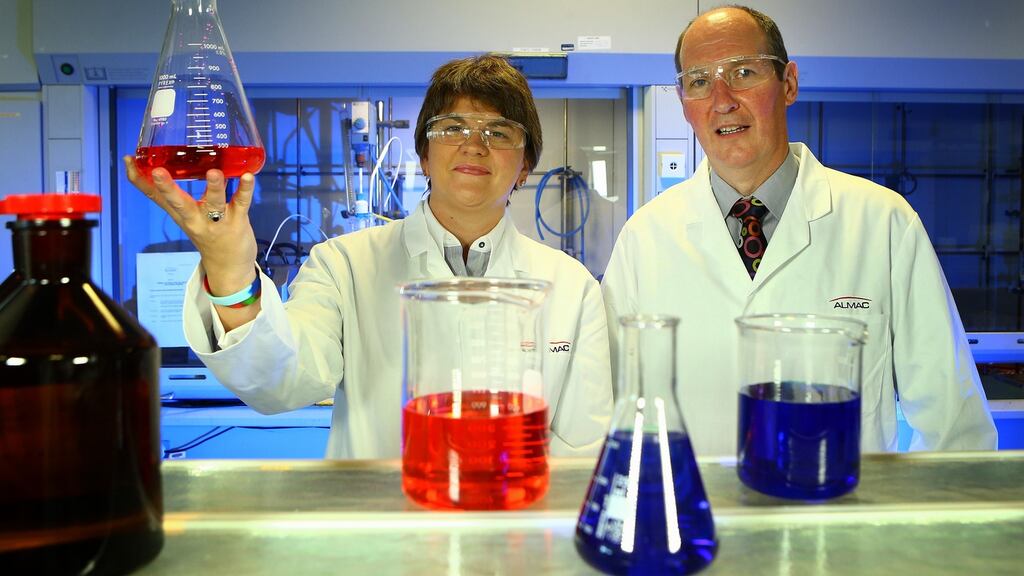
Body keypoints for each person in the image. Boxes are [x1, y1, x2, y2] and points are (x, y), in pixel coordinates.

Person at [125, 54, 613, 458]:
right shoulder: (344, 266)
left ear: (525, 163)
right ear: (423, 154)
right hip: (385, 535)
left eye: (500, 132)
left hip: (519, 540)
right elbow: (279, 384)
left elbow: (584, 444)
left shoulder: (571, 286)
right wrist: (229, 269)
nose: (474, 144)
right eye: (452, 127)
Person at [601, 5, 997, 456]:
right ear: (683, 103)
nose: (722, 98)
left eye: (743, 72)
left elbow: (956, 430)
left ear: (788, 83)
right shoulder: (644, 239)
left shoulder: (883, 222)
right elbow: (608, 416)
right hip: (693, 522)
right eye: (699, 81)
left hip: (838, 519)